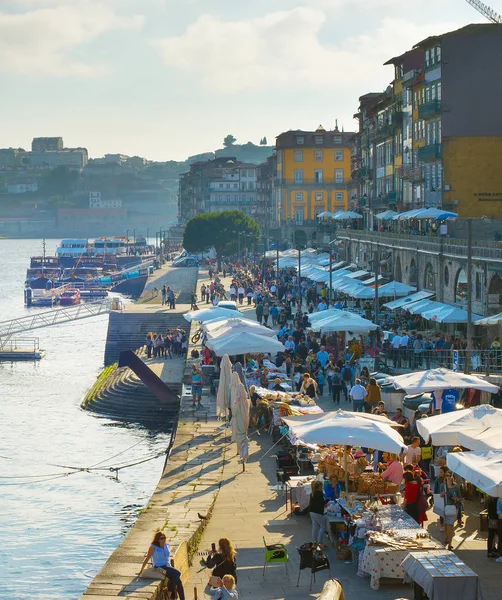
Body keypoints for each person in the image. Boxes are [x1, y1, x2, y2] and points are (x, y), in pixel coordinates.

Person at [137, 531, 185, 600]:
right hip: (159, 568)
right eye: (162, 538)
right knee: (178, 573)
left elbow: (167, 557)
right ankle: (169, 593)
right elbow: (147, 558)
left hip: (167, 566)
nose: (164, 539)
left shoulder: (166, 545)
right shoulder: (153, 547)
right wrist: (141, 570)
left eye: (164, 538)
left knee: (179, 582)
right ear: (157, 540)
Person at [441, 472, 462, 550]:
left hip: (453, 508)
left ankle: (450, 543)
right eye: (447, 476)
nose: (449, 477)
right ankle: (447, 537)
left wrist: (456, 498)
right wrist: (441, 494)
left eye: (450, 476)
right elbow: (438, 495)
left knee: (450, 525)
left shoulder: (456, 487)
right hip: (445, 508)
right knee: (447, 525)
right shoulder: (443, 486)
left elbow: (460, 498)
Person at [309, 480, 327, 544]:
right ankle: (320, 541)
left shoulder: (312, 493)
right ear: (318, 487)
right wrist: (328, 500)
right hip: (318, 512)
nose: (322, 488)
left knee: (315, 526)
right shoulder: (318, 494)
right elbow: (322, 503)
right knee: (323, 527)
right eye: (321, 486)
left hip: (311, 512)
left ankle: (315, 541)